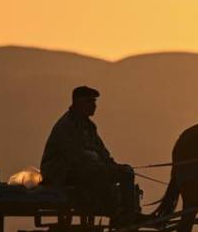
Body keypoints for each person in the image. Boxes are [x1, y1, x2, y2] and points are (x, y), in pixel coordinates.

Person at [40, 86, 140, 218]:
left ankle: (129, 214)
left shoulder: (89, 126)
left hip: (83, 169)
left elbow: (102, 152)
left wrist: (114, 166)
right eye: (90, 102)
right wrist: (102, 166)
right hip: (60, 172)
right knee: (99, 172)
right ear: (78, 103)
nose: (94, 106)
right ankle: (114, 213)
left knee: (126, 171)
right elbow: (75, 156)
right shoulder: (66, 126)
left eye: (94, 102)